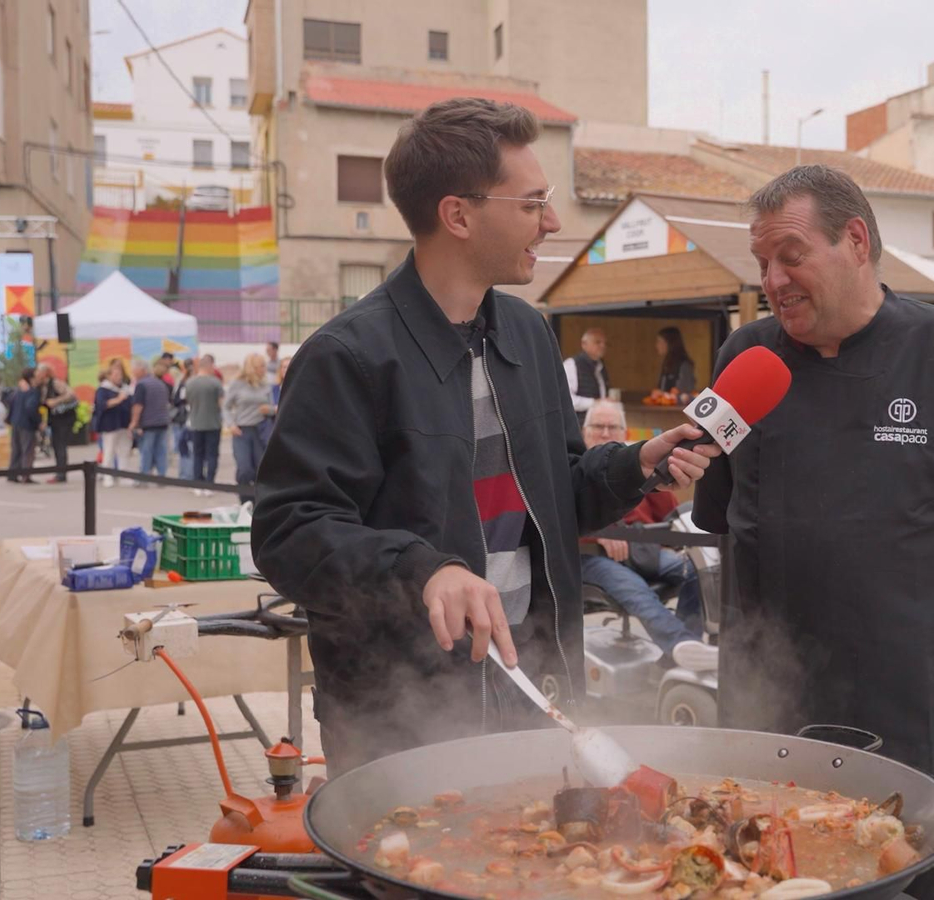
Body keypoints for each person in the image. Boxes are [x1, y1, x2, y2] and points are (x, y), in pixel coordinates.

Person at [250, 98, 715, 775]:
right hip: (401, 717)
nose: (552, 222)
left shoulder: (528, 333)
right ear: (458, 215)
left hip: (537, 685)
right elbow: (289, 533)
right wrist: (426, 570)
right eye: (532, 204)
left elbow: (556, 495)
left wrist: (634, 464)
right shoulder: (347, 356)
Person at [693, 165, 934, 900]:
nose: (772, 280)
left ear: (854, 240)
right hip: (770, 704)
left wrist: (921, 605)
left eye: (790, 256)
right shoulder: (744, 357)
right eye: (762, 262)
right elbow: (719, 515)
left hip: (912, 703)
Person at [579, 401, 715, 668]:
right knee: (635, 588)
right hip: (591, 556)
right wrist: (597, 532)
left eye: (612, 427)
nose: (605, 433)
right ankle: (680, 644)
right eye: (598, 426)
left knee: (697, 569)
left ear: (624, 433)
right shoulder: (577, 470)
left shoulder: (634, 469)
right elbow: (558, 519)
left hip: (643, 550)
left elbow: (670, 514)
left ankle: (681, 653)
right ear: (584, 433)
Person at [225, 353, 275, 504]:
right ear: (252, 368)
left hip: (260, 431)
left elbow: (272, 408)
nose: (264, 369)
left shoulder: (266, 385)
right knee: (245, 469)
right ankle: (244, 502)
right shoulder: (237, 384)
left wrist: (269, 409)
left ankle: (257, 503)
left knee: (261, 469)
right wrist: (231, 424)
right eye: (261, 366)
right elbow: (226, 407)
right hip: (242, 431)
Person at [128, 357, 172, 482]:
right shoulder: (160, 383)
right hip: (162, 422)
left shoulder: (141, 385)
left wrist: (134, 423)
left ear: (142, 369)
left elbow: (138, 406)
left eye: (134, 369)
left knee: (146, 451)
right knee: (161, 451)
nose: (132, 372)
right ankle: (162, 477)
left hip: (148, 424)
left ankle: (144, 477)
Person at [184, 354, 223, 489]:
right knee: (212, 455)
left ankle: (197, 482)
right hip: (213, 423)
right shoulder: (215, 382)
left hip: (196, 423)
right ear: (209, 366)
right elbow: (220, 404)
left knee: (197, 455)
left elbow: (188, 401)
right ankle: (209, 482)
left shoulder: (190, 383)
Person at [93, 359, 134, 487]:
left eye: (120, 375)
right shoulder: (103, 389)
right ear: (109, 376)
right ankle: (107, 476)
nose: (118, 377)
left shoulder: (126, 389)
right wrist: (118, 399)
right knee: (109, 451)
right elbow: (102, 405)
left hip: (124, 424)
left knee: (124, 451)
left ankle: (123, 475)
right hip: (109, 425)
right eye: (115, 375)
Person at [7, 366, 46, 484]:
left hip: (16, 422)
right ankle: (26, 475)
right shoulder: (33, 392)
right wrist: (38, 421)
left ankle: (12, 474)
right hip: (27, 424)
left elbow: (10, 402)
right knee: (28, 450)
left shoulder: (19, 390)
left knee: (16, 449)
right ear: (32, 378)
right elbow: (30, 407)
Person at [40, 366, 78, 483]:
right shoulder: (44, 386)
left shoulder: (55, 383)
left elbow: (71, 394)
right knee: (56, 446)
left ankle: (61, 474)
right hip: (55, 420)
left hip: (63, 420)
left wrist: (56, 401)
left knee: (60, 446)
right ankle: (60, 472)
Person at [563, 328, 609, 421]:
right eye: (598, 342)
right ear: (584, 344)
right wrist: (595, 403)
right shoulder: (571, 365)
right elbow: (566, 400)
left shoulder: (601, 366)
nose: (603, 346)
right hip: (578, 423)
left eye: (605, 343)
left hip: (596, 422)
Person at [651, 326, 696, 405]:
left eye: (660, 341)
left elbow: (684, 391)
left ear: (669, 343)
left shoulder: (684, 364)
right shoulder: (667, 363)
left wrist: (663, 394)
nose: (657, 345)